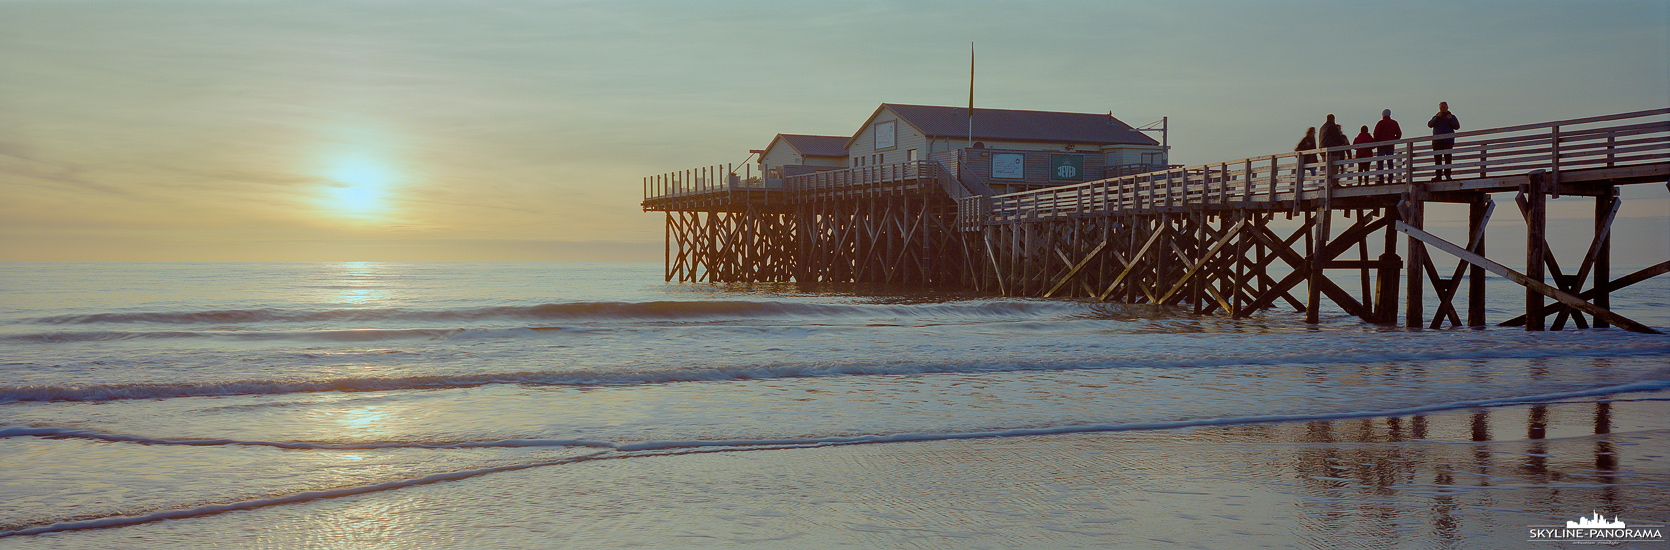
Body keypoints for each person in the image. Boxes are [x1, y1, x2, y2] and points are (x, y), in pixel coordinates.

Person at [1428, 102, 1460, 180]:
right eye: (1441, 107)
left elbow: (1457, 126)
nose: (1442, 109)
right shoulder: (1436, 117)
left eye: (1443, 107)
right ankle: (1438, 175)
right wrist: (1436, 118)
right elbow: (1430, 124)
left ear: (1447, 107)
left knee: (1448, 158)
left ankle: (1448, 175)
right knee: (1437, 159)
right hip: (1437, 141)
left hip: (1448, 141)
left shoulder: (1452, 116)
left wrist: (1451, 119)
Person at [1372, 109, 1402, 183]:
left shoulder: (1380, 123)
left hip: (1381, 146)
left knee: (1380, 162)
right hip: (1390, 146)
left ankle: (1381, 178)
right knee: (1390, 161)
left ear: (1383, 115)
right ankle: (1390, 178)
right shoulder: (1394, 123)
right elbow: (1399, 133)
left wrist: (1376, 142)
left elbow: (1376, 134)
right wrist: (1394, 140)